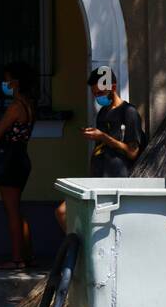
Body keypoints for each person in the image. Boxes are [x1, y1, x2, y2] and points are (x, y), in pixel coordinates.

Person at [57, 67, 146, 230]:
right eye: (95, 94)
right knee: (63, 212)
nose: (98, 97)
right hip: (98, 178)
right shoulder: (103, 112)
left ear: (113, 87)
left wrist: (103, 137)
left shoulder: (129, 112)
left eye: (100, 93)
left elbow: (132, 152)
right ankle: (79, 246)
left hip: (117, 181)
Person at [0, 62, 36, 269]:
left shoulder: (16, 106)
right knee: (17, 209)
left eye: (7, 80)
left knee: (12, 211)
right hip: (21, 158)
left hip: (10, 161)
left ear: (15, 82)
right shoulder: (29, 105)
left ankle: (17, 259)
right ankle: (27, 255)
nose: (4, 83)